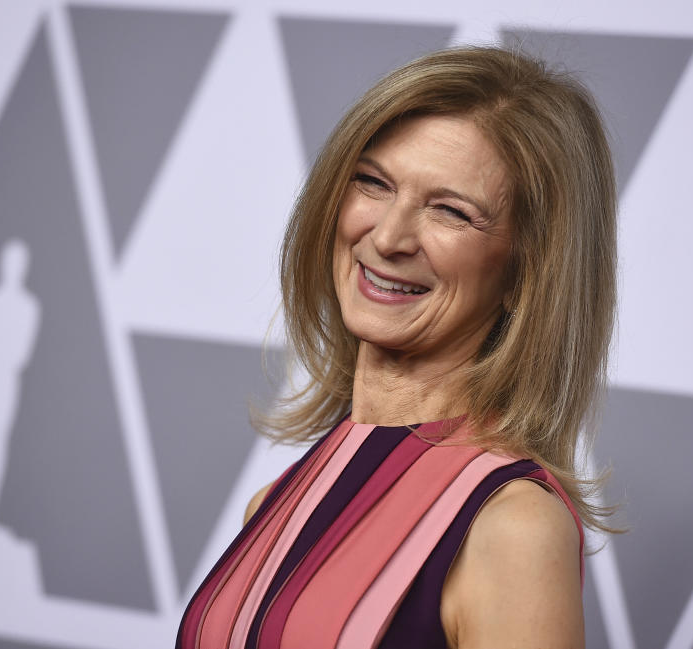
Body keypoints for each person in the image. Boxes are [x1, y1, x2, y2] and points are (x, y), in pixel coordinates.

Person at [177, 45, 617, 649]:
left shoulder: (513, 526)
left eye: (450, 211)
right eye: (373, 183)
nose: (387, 237)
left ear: (526, 271)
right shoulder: (272, 503)